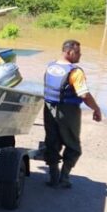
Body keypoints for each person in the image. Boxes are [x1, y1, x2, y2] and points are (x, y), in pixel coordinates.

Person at [42, 39, 103, 188]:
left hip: (49, 109)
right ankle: (64, 177)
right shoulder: (75, 72)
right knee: (73, 145)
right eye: (78, 52)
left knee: (52, 141)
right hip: (68, 112)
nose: (80, 56)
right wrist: (96, 109)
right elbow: (84, 95)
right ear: (69, 52)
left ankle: (53, 175)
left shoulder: (51, 66)